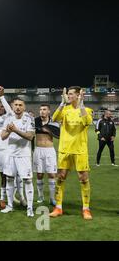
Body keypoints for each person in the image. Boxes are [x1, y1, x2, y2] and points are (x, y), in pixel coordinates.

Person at [50, 87, 93, 220]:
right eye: (67, 94)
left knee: (83, 178)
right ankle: (58, 207)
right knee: (61, 177)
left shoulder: (86, 110)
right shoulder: (65, 110)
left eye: (71, 94)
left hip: (80, 150)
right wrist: (62, 103)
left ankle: (86, 208)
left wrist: (81, 104)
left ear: (78, 95)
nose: (68, 96)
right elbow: (54, 118)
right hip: (65, 149)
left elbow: (87, 122)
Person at [0, 98, 35, 217]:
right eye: (16, 105)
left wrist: (15, 130)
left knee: (28, 180)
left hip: (23, 155)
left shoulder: (29, 119)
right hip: (10, 154)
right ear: (12, 106)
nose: (18, 107)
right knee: (9, 179)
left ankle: (30, 208)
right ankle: (10, 206)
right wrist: (9, 131)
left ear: (24, 107)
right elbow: (3, 136)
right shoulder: (8, 118)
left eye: (20, 105)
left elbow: (30, 137)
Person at [33, 104, 59, 205]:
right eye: (40, 109)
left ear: (49, 111)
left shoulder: (53, 122)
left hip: (49, 150)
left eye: (44, 109)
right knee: (39, 174)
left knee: (52, 174)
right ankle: (40, 196)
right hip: (38, 150)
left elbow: (58, 135)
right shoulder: (35, 121)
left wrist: (48, 130)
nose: (42, 111)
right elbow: (31, 135)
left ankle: (52, 198)